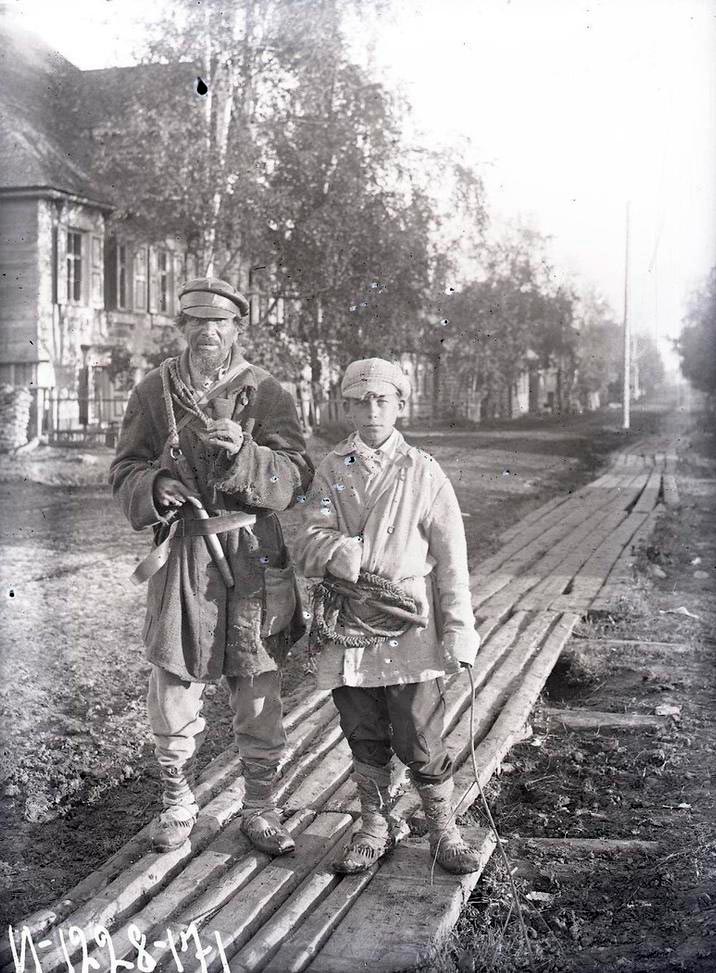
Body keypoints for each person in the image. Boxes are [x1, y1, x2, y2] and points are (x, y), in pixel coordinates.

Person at [109, 276, 314, 855]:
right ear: (183, 328)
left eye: (219, 322)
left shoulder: (266, 391)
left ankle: (261, 807)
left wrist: (246, 456)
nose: (208, 332)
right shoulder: (155, 391)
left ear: (236, 328)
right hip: (184, 558)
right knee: (173, 677)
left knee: (255, 686)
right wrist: (158, 482)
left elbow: (299, 473)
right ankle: (177, 805)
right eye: (197, 322)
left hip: (251, 555)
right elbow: (123, 468)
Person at [294, 357, 483, 875]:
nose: (372, 411)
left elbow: (452, 561)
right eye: (360, 402)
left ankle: (444, 829)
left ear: (400, 405)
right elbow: (308, 540)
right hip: (350, 621)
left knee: (420, 733)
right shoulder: (333, 469)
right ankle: (375, 825)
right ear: (347, 407)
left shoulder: (423, 471)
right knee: (362, 727)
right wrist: (342, 550)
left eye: (383, 401)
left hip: (409, 626)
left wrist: (460, 630)